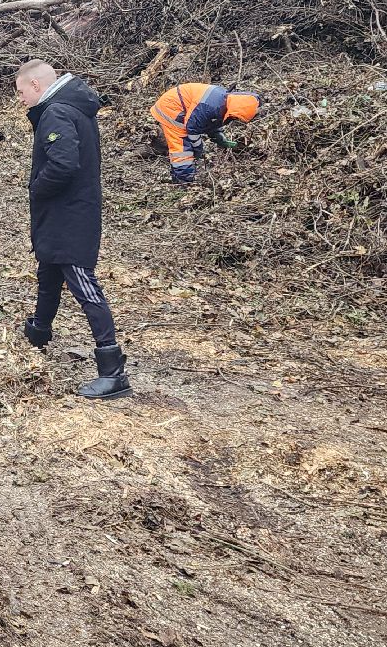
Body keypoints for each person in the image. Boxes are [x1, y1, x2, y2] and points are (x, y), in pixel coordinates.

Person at [14, 59, 130, 400]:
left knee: (81, 280)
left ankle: (112, 369)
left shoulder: (57, 113)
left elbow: (63, 164)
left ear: (36, 86)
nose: (20, 100)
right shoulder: (73, 108)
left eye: (21, 93)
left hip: (69, 215)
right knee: (49, 269)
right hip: (68, 212)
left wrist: (37, 188)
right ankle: (39, 331)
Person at [150, 83, 260, 183]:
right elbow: (192, 128)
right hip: (171, 108)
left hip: (184, 108)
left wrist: (218, 135)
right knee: (182, 149)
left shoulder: (225, 101)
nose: (236, 120)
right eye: (237, 118)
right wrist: (198, 148)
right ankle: (183, 181)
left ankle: (182, 175)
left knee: (188, 145)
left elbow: (209, 121)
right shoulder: (209, 106)